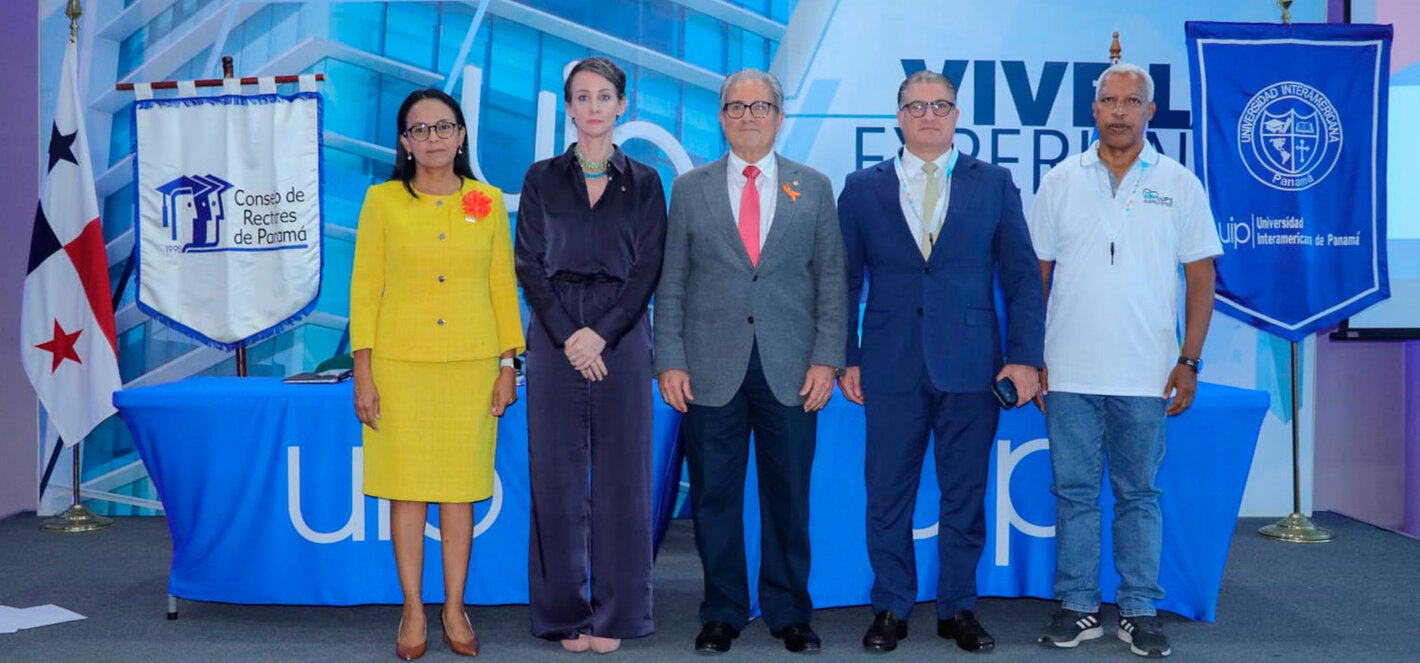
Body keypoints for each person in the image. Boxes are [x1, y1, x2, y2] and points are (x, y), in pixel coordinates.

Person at [837, 70, 1044, 654]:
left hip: (974, 366)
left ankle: (959, 609)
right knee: (887, 493)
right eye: (916, 105)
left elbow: (1023, 278)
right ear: (898, 115)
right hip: (888, 363)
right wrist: (845, 356)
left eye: (941, 106)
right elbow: (844, 281)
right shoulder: (861, 187)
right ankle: (890, 608)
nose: (929, 114)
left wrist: (1026, 358)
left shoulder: (996, 183)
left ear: (957, 116)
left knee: (964, 493)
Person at [1028, 62, 1222, 658]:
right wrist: (1032, 359)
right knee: (1075, 493)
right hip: (1068, 371)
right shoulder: (1060, 180)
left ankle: (1140, 610)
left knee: (1140, 494)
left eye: (1131, 101)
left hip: (1146, 371)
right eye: (1108, 100)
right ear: (1092, 110)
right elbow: (1032, 277)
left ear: (1149, 111)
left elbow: (1200, 279)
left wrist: (1189, 360)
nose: (1119, 111)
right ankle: (1079, 606)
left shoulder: (1180, 182)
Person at [653, 68, 847, 655]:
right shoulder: (691, 189)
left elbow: (832, 282)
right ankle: (722, 611)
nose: (748, 116)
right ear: (720, 117)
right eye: (735, 107)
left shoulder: (812, 186)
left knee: (788, 497)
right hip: (709, 367)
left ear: (779, 116)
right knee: (714, 497)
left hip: (792, 368)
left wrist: (827, 359)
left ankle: (789, 611)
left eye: (760, 106)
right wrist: (670, 359)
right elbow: (673, 284)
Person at [350, 88, 525, 661]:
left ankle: (453, 606)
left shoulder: (487, 201)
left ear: (461, 135)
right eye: (419, 130)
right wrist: (364, 371)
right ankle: (411, 608)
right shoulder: (381, 201)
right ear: (403, 141)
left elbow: (503, 287)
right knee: (407, 492)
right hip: (400, 367)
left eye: (442, 128)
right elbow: (366, 290)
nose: (432, 139)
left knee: (458, 494)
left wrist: (508, 362)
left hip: (472, 369)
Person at [514, 56, 667, 655]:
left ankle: (619, 616)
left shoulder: (648, 181)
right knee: (556, 477)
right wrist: (567, 334)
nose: (595, 106)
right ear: (569, 107)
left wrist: (601, 333)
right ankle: (563, 615)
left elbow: (650, 266)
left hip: (624, 338)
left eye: (605, 95)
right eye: (583, 96)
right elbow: (528, 263)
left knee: (625, 480)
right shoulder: (540, 177)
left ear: (621, 105)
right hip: (554, 339)